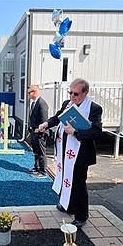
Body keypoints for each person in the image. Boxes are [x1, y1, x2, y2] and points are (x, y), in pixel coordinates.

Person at [39, 78, 102, 228]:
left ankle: (81, 216)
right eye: (70, 92)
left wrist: (75, 132)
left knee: (78, 184)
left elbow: (96, 132)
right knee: (64, 179)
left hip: (80, 154)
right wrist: (46, 123)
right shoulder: (67, 104)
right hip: (64, 151)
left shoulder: (93, 108)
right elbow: (58, 117)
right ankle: (67, 205)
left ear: (85, 93)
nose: (72, 96)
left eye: (76, 93)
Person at [27, 85, 49, 178]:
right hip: (34, 132)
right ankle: (36, 167)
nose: (28, 95)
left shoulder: (42, 103)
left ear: (34, 92)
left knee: (41, 152)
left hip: (40, 133)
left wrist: (41, 132)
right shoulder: (34, 103)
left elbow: (44, 119)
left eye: (29, 92)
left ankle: (43, 171)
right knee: (35, 151)